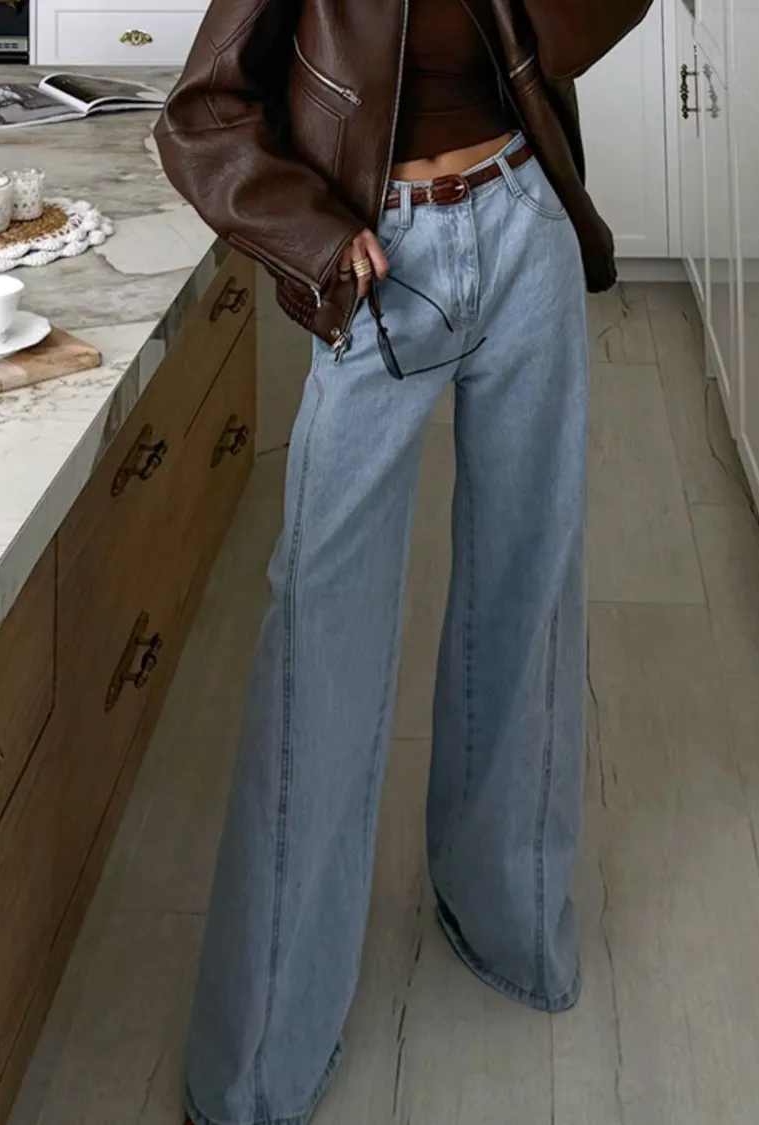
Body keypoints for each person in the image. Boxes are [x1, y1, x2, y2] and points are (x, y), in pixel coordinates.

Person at [156, 2, 650, 1123]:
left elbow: (579, 30)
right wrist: (319, 242)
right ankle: (259, 1063)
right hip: (378, 260)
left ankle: (504, 912)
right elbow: (201, 113)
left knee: (530, 592)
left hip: (523, 223)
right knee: (319, 638)